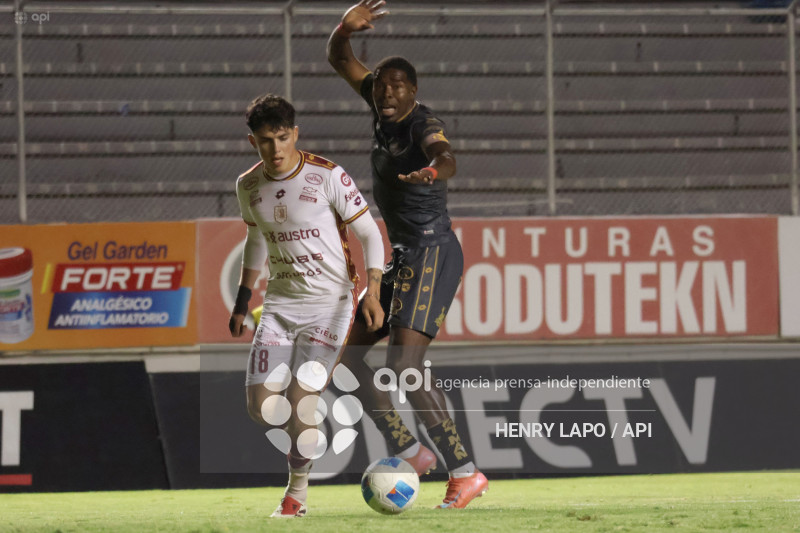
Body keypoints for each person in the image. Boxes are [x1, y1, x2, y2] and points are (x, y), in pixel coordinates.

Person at [327, 0, 488, 510]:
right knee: (346, 360)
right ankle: (407, 448)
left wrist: (435, 170)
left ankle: (465, 473)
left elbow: (447, 154)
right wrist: (343, 30)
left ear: (413, 93)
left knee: (405, 368)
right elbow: (339, 58)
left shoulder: (423, 124)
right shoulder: (380, 110)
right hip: (402, 255)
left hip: (433, 252)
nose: (388, 92)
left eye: (397, 87)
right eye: (381, 86)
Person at [229, 93, 386, 518]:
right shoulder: (248, 186)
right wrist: (243, 301)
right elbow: (256, 240)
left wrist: (371, 292)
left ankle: (295, 495)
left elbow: (371, 235)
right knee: (261, 407)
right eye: (265, 140)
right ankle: (309, 430)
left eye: (282, 137)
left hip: (330, 305)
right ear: (252, 142)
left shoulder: (328, 176)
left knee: (301, 398)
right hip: (279, 307)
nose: (276, 149)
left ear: (295, 134)